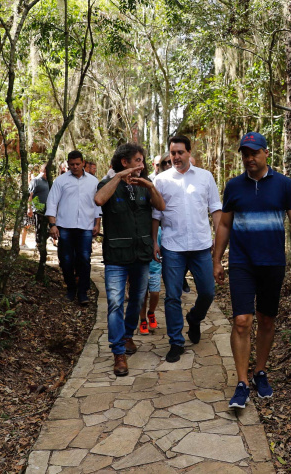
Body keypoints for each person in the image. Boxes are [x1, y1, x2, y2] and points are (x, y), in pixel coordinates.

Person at [213, 132, 291, 409]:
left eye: (254, 153)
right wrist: (216, 259)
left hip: (272, 263)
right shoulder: (234, 186)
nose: (249, 158)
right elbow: (224, 225)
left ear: (266, 153)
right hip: (242, 263)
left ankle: (260, 371)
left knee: (266, 320)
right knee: (242, 321)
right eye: (245, 154)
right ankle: (242, 382)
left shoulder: (283, 185)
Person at [94, 143, 165, 376]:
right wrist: (119, 177)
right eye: (137, 160)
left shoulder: (145, 185)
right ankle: (118, 353)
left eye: (143, 161)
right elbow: (99, 200)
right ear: (124, 162)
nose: (142, 165)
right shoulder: (107, 184)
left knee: (136, 299)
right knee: (115, 303)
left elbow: (160, 205)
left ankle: (127, 336)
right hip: (116, 255)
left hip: (141, 254)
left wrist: (149, 185)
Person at [152, 135, 222, 363]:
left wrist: (220, 243)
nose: (176, 157)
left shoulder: (205, 177)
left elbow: (215, 210)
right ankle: (176, 342)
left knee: (208, 292)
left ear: (189, 153)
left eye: (180, 152)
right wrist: (154, 241)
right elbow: (156, 215)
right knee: (172, 296)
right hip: (172, 246)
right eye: (173, 153)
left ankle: (194, 318)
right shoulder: (161, 180)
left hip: (201, 246)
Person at [46, 150, 101, 304]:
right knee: (66, 260)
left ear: (83, 163)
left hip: (85, 226)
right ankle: (71, 288)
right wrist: (53, 225)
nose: (75, 167)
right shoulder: (60, 181)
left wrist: (97, 224)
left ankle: (83, 293)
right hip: (65, 227)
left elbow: (97, 204)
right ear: (68, 164)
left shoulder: (92, 181)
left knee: (84, 259)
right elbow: (52, 203)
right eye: (72, 165)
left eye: (78, 164)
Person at [139, 154, 171, 335]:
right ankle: (142, 318)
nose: (166, 165)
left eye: (167, 162)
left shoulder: (174, 182)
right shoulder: (148, 182)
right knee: (142, 286)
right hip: (147, 236)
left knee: (156, 289)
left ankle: (151, 313)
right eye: (162, 163)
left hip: (166, 238)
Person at [27, 164, 51, 250]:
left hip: (48, 210)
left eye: (47, 172)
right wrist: (29, 208)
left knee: (50, 228)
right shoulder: (36, 181)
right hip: (38, 209)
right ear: (41, 171)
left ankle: (42, 242)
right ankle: (39, 245)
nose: (46, 174)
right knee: (39, 228)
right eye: (44, 171)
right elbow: (30, 195)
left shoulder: (49, 182)